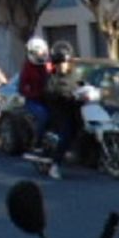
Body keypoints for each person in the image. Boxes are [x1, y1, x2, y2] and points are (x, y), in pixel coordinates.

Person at [41, 43, 82, 180]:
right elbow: (49, 93)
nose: (62, 65)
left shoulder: (75, 75)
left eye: (64, 62)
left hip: (75, 108)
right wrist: (61, 95)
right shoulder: (52, 78)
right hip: (60, 111)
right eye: (59, 63)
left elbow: (82, 85)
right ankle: (55, 165)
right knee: (67, 132)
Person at [18, 36, 53, 138]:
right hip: (34, 100)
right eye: (38, 52)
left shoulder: (49, 65)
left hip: (50, 98)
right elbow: (22, 87)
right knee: (43, 115)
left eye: (43, 52)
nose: (41, 55)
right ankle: (38, 140)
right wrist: (32, 92)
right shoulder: (28, 68)